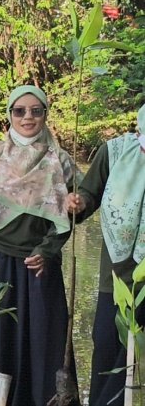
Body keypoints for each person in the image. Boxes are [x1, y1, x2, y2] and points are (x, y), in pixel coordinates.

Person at [0, 85, 78, 405]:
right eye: (19, 111)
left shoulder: (61, 160)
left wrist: (48, 251)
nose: (28, 117)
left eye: (36, 110)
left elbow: (72, 214)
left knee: (44, 335)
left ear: (45, 114)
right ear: (9, 115)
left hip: (39, 259)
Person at [67, 104, 145, 406]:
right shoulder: (114, 152)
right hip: (117, 277)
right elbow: (89, 195)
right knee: (108, 347)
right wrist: (78, 203)